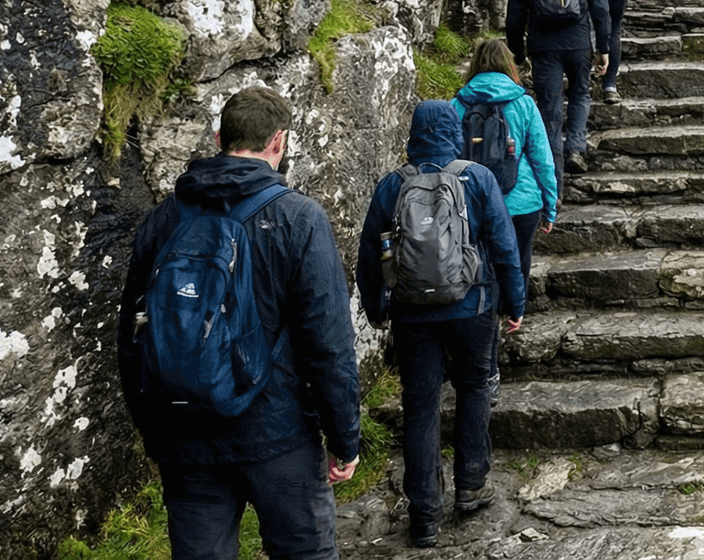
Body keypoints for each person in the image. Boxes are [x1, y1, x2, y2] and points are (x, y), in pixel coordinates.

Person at [116, 86, 361, 560]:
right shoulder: (299, 217)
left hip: (185, 435)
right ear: (278, 142)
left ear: (217, 137)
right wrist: (344, 436)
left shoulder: (163, 220)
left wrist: (153, 431)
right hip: (279, 433)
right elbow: (329, 342)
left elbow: (132, 336)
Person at [355, 101, 526, 548]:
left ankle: (424, 513)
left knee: (420, 406)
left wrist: (377, 309)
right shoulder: (476, 178)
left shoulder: (393, 185)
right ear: (453, 131)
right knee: (472, 389)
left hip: (413, 314)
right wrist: (515, 302)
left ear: (413, 133)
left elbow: (370, 257)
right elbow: (505, 245)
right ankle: (471, 485)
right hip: (472, 307)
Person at [506, 0, 612, 174]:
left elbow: (515, 15)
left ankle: (553, 171)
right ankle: (576, 148)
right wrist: (604, 48)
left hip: (543, 46)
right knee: (579, 94)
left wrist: (517, 53)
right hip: (578, 42)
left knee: (549, 110)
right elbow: (600, 8)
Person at [451, 38, 560, 277]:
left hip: (471, 201)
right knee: (518, 262)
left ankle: (485, 311)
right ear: (509, 65)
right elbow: (543, 160)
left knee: (477, 263)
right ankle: (514, 312)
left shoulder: (457, 105)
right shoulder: (524, 103)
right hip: (521, 200)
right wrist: (550, 207)